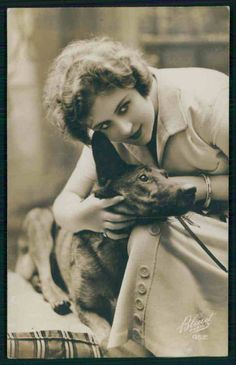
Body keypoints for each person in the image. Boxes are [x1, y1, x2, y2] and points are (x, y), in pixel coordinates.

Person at [44, 38, 229, 357]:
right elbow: (63, 205)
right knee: (149, 232)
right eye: (105, 125)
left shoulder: (210, 99)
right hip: (186, 238)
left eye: (124, 107)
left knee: (151, 233)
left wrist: (196, 186)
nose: (125, 128)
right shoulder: (107, 135)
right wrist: (89, 214)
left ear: (136, 80)